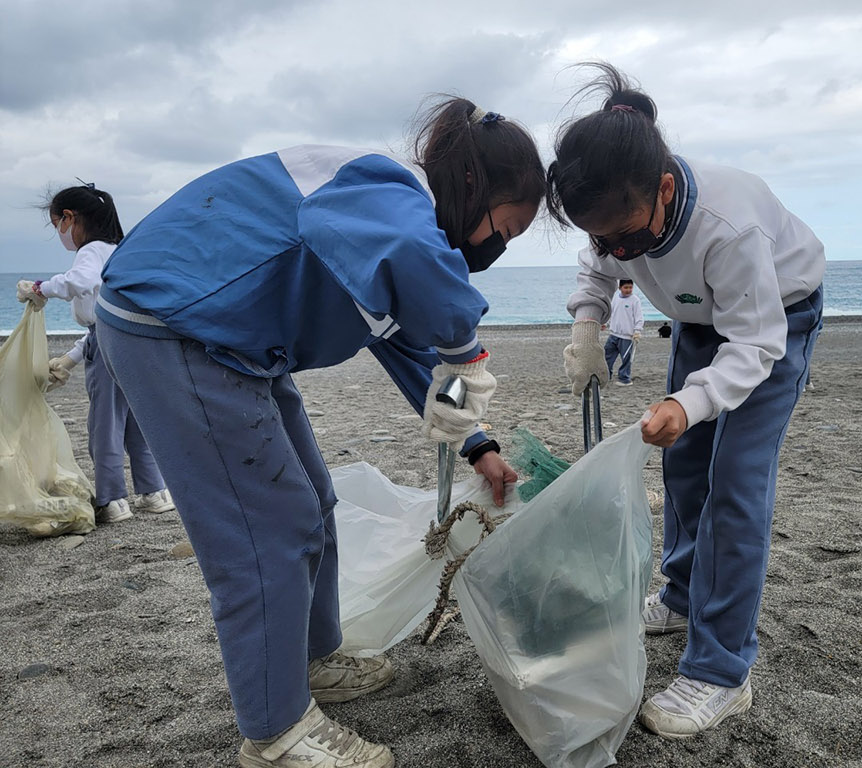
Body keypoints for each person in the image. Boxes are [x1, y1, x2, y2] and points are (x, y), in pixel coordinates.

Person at [92, 97, 544, 768]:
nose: (495, 250)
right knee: (268, 532)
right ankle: (275, 732)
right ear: (471, 187)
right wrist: (470, 347)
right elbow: (432, 301)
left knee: (314, 501)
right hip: (174, 328)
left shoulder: (394, 225)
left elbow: (414, 346)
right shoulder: (386, 195)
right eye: (503, 231)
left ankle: (313, 657)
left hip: (243, 341)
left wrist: (476, 441)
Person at [554, 63, 825, 739]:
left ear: (665, 189)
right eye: (600, 236)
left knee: (735, 484)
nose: (617, 249)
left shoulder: (726, 225)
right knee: (682, 466)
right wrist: (587, 325)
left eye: (626, 235)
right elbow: (598, 266)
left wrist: (693, 399)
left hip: (774, 323)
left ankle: (722, 670)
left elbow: (757, 342)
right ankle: (679, 596)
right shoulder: (614, 221)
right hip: (700, 321)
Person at [15, 184, 173, 524]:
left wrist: (39, 288)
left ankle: (113, 499)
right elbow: (103, 322)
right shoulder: (119, 250)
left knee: (105, 423)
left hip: (107, 344)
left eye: (57, 222)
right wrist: (69, 360)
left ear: (70, 218)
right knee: (136, 422)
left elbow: (80, 282)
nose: (60, 232)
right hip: (131, 340)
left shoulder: (90, 252)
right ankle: (154, 492)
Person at [604, 279, 643, 384]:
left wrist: (637, 331)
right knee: (607, 356)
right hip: (614, 334)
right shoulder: (615, 298)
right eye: (626, 287)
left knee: (626, 359)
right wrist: (605, 323)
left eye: (630, 287)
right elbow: (610, 313)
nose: (628, 290)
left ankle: (624, 379)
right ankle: (606, 377)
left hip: (627, 336)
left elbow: (639, 317)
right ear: (620, 288)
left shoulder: (635, 300)